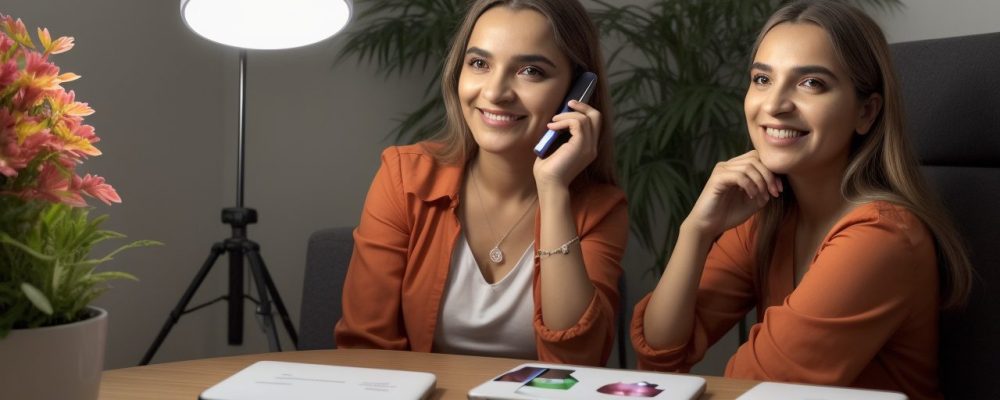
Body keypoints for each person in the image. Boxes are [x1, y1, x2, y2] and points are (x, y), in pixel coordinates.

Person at [630, 1, 971, 399]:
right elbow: (661, 353)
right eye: (761, 79)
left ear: (866, 112)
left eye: (811, 83)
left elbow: (757, 389)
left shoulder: (882, 237)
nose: (774, 105)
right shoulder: (769, 215)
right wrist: (696, 229)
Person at [335, 0, 627, 366]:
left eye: (531, 71)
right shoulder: (404, 177)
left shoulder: (601, 208)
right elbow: (366, 349)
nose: (495, 92)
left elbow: (578, 362)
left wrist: (553, 191)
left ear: (576, 92)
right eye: (479, 64)